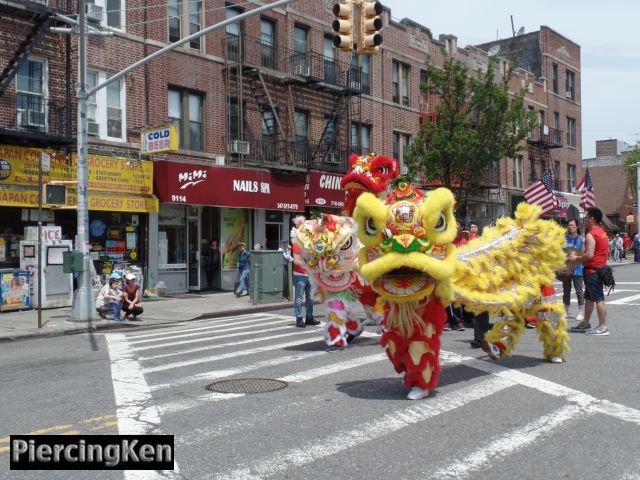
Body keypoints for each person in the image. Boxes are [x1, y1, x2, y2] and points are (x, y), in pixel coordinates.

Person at [568, 207, 609, 335]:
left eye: (586, 217)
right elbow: (605, 252)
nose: (584, 219)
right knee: (589, 299)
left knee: (598, 299)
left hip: (593, 271)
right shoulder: (602, 232)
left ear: (592, 219)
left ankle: (602, 326)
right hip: (600, 268)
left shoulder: (592, 234)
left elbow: (589, 255)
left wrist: (577, 258)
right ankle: (585, 323)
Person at [291, 234, 318, 328]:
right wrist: (309, 266)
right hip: (300, 275)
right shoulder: (297, 244)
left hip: (310, 275)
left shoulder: (311, 245)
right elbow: (296, 261)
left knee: (310, 298)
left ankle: (309, 318)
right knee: (299, 298)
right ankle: (299, 318)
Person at [562, 219, 585, 321]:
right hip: (567, 267)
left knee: (579, 290)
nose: (570, 227)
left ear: (577, 227)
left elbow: (583, 254)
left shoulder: (581, 239)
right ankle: (565, 310)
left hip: (578, 267)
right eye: (569, 225)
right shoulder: (564, 239)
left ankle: (581, 311)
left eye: (572, 225)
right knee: (566, 290)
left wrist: (584, 244)